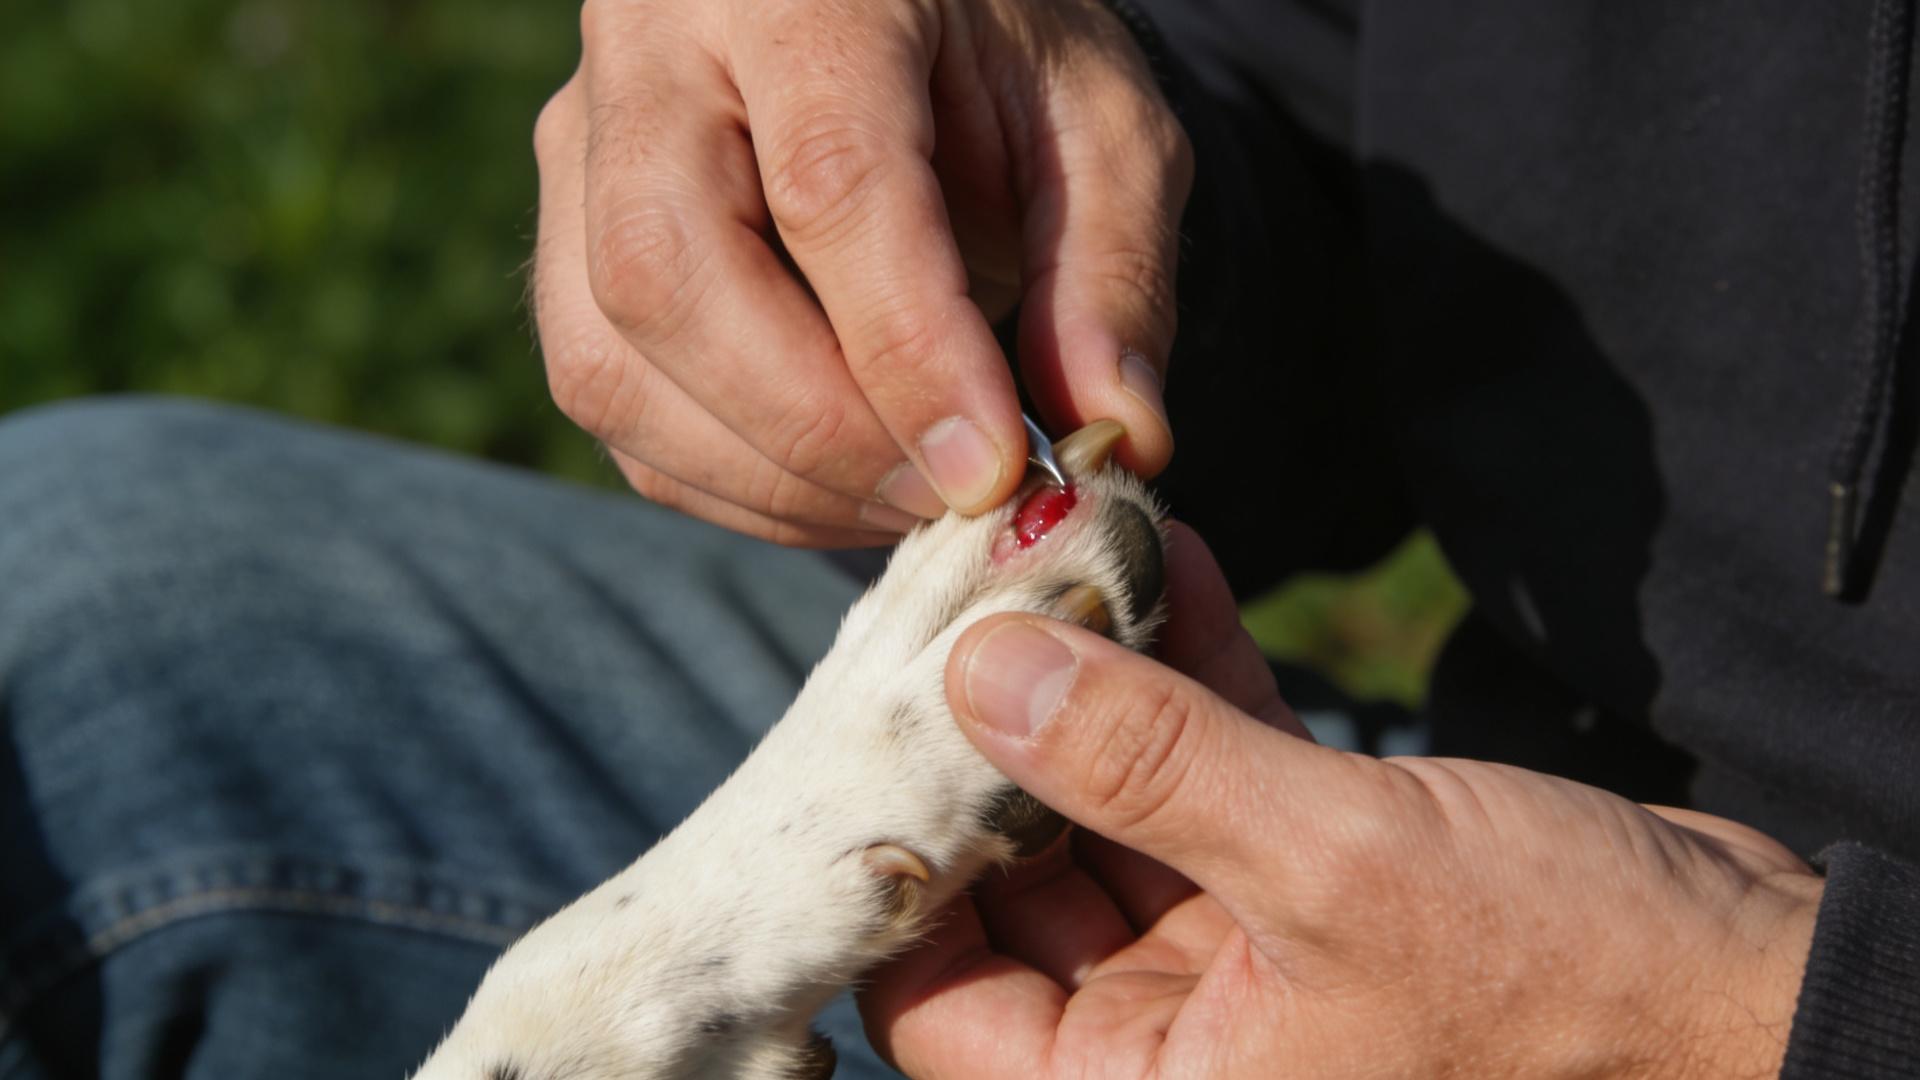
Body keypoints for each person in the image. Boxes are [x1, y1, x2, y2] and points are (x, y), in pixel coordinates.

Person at [0, 3, 1912, 1079]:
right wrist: (1061, 205)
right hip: (1418, 878)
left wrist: (1763, 1024)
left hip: (1747, 1001)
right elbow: (1459, 155)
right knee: (63, 591)